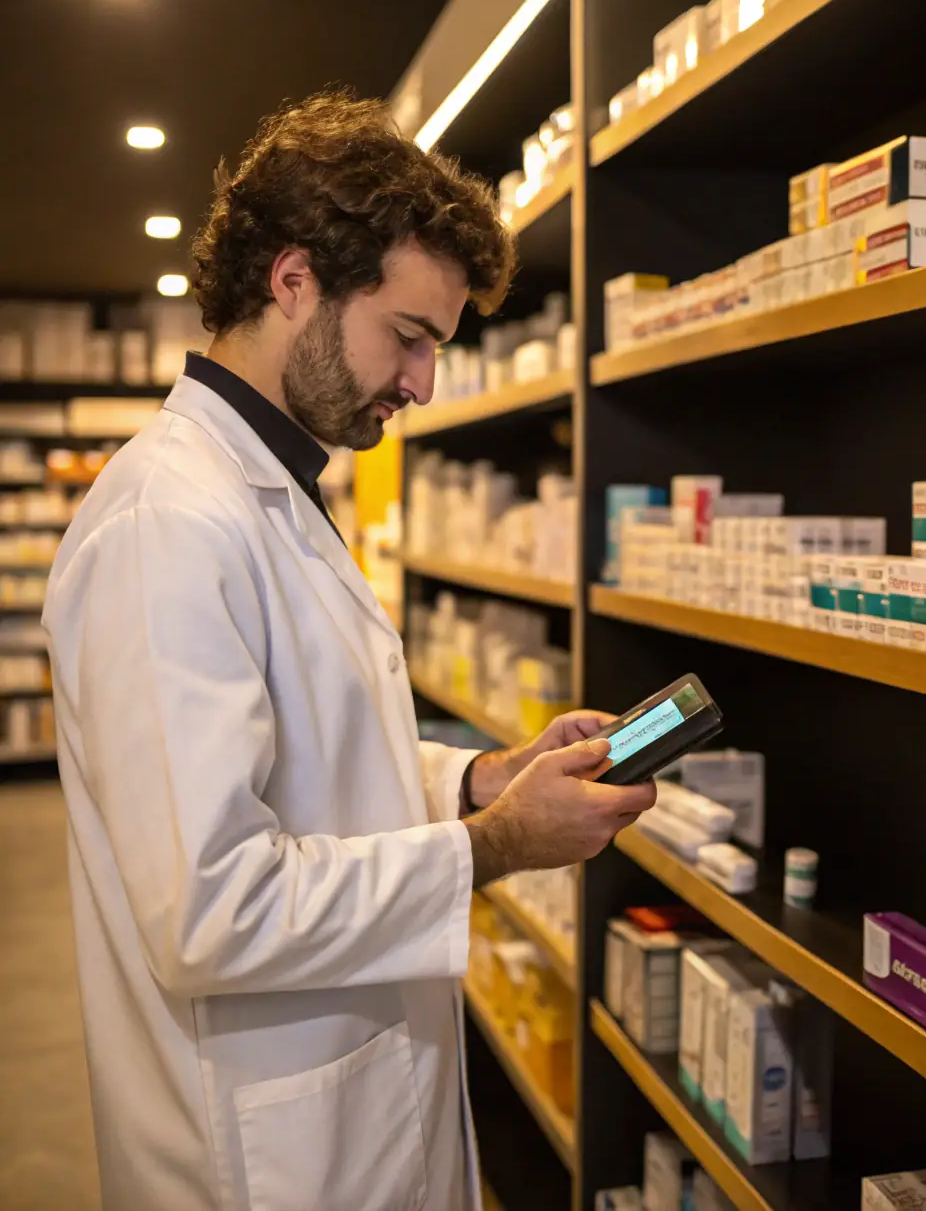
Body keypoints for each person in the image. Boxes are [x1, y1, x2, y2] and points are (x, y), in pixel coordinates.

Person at [44, 90, 656, 1211]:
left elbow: (310, 763)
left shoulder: (272, 489)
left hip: (346, 1112)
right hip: (259, 1151)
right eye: (410, 337)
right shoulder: (166, 524)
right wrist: (493, 846)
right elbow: (210, 909)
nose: (422, 385)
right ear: (293, 282)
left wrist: (477, 777)